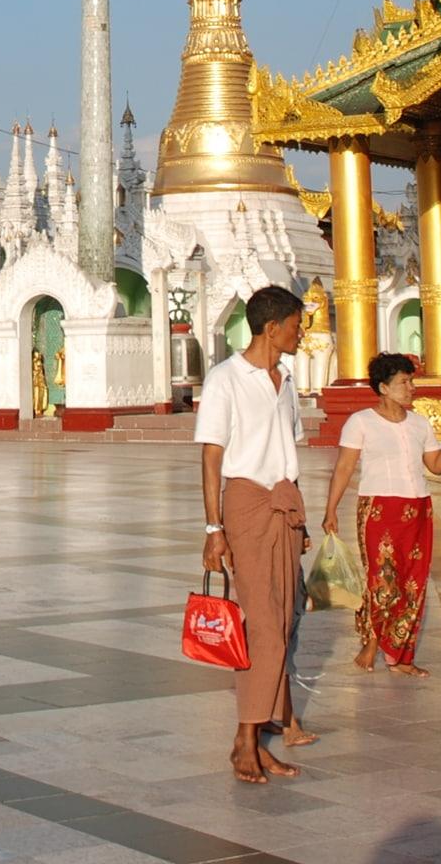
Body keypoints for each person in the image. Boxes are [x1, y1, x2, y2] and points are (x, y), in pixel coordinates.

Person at [197, 285, 311, 785]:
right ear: (272, 328)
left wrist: (301, 522)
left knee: (282, 620)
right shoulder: (226, 378)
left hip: (285, 504)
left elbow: (291, 449)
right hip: (245, 503)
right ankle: (244, 740)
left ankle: (261, 737)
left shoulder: (285, 380)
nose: (301, 333)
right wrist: (213, 527)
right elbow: (211, 457)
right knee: (263, 624)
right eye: (296, 325)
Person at [320, 352, 441, 677]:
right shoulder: (361, 422)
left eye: (411, 380)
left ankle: (401, 655)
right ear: (384, 388)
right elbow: (345, 467)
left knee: (413, 581)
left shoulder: (419, 424)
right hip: (379, 508)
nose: (411, 387)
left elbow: (437, 466)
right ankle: (373, 641)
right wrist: (331, 509)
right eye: (403, 382)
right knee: (382, 578)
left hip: (418, 507)